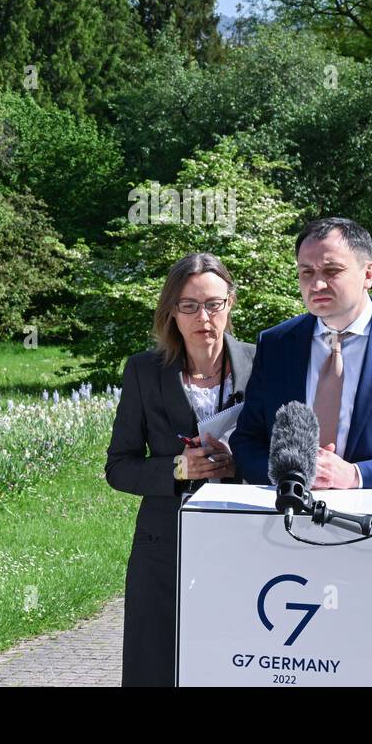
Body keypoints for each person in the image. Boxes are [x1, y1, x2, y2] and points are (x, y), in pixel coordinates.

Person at [229, 218, 372, 668]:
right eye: (305, 272)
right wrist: (288, 476)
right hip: (283, 556)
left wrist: (356, 476)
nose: (316, 283)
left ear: (368, 272)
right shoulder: (276, 344)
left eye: (331, 271)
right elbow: (248, 441)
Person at [105, 253, 255, 687]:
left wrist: (238, 463)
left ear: (231, 303)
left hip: (243, 541)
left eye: (213, 303)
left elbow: (280, 451)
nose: (202, 317)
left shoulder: (261, 364)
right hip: (164, 547)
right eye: (188, 305)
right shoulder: (143, 371)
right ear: (171, 311)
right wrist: (177, 468)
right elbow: (118, 467)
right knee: (156, 666)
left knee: (231, 662)